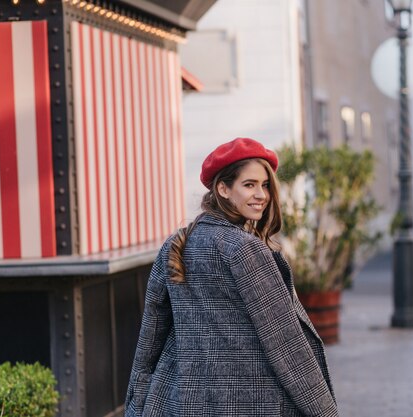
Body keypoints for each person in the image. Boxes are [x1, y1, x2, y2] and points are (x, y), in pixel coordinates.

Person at [125, 138, 339, 417]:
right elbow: (286, 343)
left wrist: (136, 403)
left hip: (185, 399)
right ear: (223, 189)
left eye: (264, 185)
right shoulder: (244, 249)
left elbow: (150, 337)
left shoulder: (176, 243)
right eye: (249, 185)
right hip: (251, 400)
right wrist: (324, 411)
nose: (261, 195)